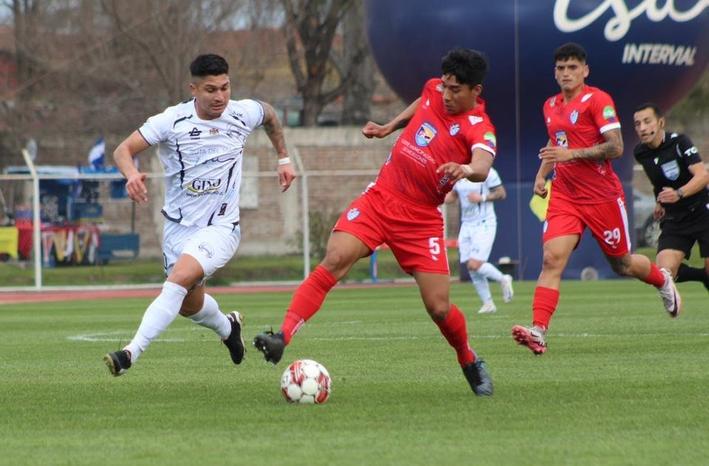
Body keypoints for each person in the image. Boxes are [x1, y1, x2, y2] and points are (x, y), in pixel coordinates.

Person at [254, 48, 497, 396]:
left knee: (439, 308)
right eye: (445, 85)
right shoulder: (434, 90)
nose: (445, 94)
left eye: (455, 90)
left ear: (476, 90)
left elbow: (483, 165)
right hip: (380, 199)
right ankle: (283, 336)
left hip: (421, 220)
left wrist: (467, 168)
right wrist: (390, 127)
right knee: (335, 258)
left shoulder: (479, 127)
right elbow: (424, 101)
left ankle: (468, 359)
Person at [103, 54, 296, 376]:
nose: (220, 96)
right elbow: (123, 150)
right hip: (178, 229)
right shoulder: (171, 121)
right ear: (193, 89)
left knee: (177, 280)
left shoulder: (241, 113)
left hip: (221, 227)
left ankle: (129, 354)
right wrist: (131, 174)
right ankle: (228, 328)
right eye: (211, 89)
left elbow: (271, 115)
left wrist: (283, 158)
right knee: (188, 306)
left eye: (225, 87)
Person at [511, 43, 682, 355]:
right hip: (565, 196)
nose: (566, 73)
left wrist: (571, 154)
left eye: (572, 67)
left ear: (585, 71)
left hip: (602, 197)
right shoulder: (550, 105)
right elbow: (556, 140)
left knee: (622, 264)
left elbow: (615, 147)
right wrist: (541, 174)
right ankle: (538, 330)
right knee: (551, 259)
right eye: (561, 68)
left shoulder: (598, 100)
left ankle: (662, 280)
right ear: (555, 72)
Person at [633, 103, 709, 291]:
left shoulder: (680, 142)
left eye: (647, 121)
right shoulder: (640, 152)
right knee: (664, 273)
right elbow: (658, 182)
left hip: (702, 211)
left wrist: (678, 193)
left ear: (661, 122)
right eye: (637, 124)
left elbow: (702, 176)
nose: (642, 128)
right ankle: (703, 276)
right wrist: (660, 201)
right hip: (676, 218)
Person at [444, 167, 514, 314]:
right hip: (466, 224)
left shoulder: (487, 171)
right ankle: (488, 304)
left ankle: (503, 278)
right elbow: (453, 196)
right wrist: (434, 197)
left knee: (474, 264)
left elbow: (501, 193)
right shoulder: (457, 172)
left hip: (484, 223)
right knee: (471, 267)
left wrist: (482, 198)